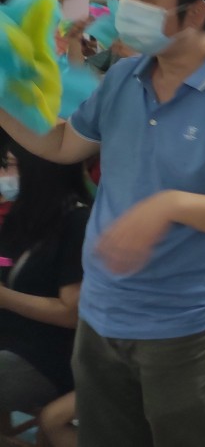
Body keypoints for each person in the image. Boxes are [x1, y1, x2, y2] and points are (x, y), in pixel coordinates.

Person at [0, 0, 205, 446]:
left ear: (194, 12)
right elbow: (63, 143)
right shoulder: (123, 78)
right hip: (102, 316)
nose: (125, 7)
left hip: (188, 328)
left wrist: (170, 205)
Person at [0, 138, 90, 416]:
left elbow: (70, 314)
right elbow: (6, 263)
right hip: (10, 339)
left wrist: (5, 297)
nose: (4, 176)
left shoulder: (77, 223)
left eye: (11, 166)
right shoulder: (22, 215)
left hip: (47, 358)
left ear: (39, 169)